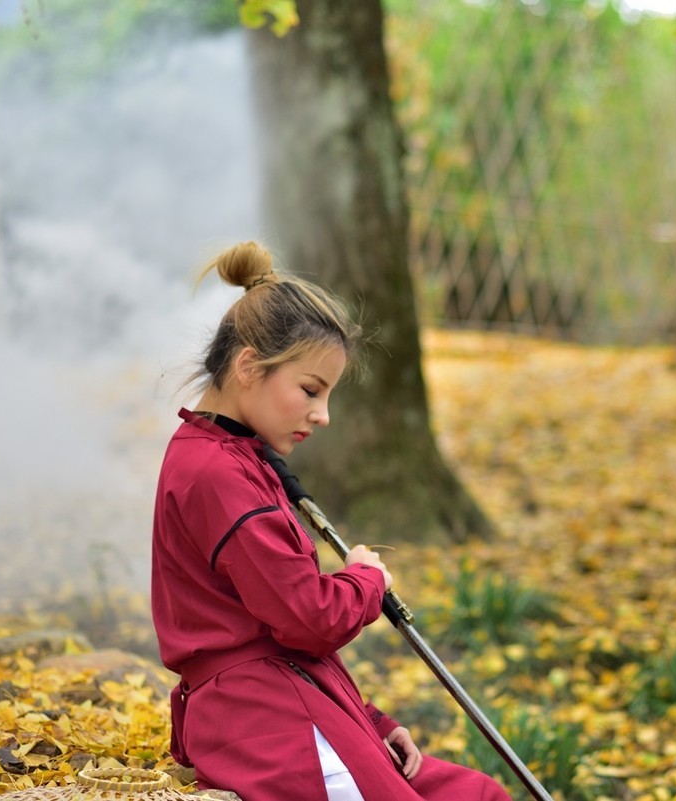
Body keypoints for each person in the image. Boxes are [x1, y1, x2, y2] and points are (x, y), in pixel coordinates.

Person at [151, 241, 513, 801]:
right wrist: (367, 581)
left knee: (478, 794)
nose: (322, 415)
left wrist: (372, 722)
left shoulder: (236, 458)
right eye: (310, 391)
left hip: (294, 700)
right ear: (249, 366)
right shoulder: (217, 473)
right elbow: (305, 619)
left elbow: (281, 628)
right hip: (264, 727)